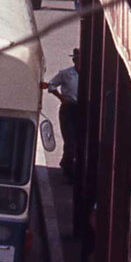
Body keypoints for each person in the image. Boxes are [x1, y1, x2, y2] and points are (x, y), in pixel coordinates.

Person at [46, 49, 81, 182]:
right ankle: (69, 170)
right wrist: (61, 98)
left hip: (82, 109)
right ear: (74, 61)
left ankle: (66, 162)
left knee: (79, 140)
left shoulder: (90, 74)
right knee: (70, 138)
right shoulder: (66, 74)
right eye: (77, 59)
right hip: (69, 108)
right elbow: (51, 85)